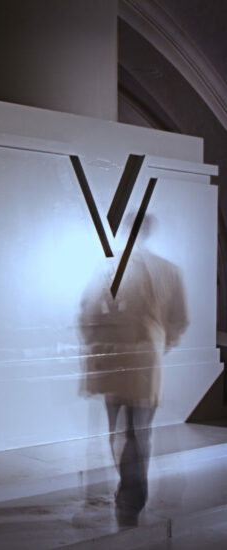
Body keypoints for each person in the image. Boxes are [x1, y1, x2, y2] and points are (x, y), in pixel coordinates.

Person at [79, 216, 188, 526]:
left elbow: (87, 311)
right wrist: (158, 344)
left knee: (119, 432)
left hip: (117, 361)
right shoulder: (168, 270)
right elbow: (179, 321)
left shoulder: (110, 269)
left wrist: (98, 347)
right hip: (147, 361)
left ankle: (130, 492)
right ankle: (133, 494)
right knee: (139, 431)